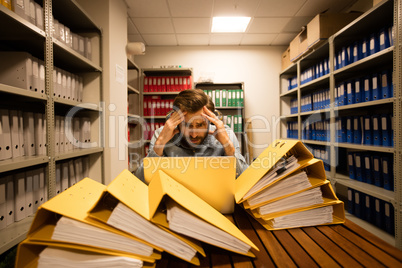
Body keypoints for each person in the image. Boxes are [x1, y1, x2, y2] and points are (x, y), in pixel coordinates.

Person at [135, 88, 248, 182]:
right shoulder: (161, 134)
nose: (193, 135)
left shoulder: (225, 134)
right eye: (187, 125)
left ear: (211, 120)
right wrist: (159, 144)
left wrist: (228, 146)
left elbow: (244, 181)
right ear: (175, 121)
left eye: (200, 125)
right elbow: (140, 182)